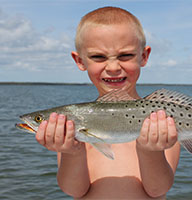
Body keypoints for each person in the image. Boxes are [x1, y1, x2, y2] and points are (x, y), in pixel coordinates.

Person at [35, 7, 181, 199]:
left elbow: (157, 189)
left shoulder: (162, 121)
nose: (113, 67)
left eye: (125, 55)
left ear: (144, 56)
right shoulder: (73, 126)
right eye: (98, 57)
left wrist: (149, 150)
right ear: (79, 61)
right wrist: (72, 152)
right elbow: (75, 190)